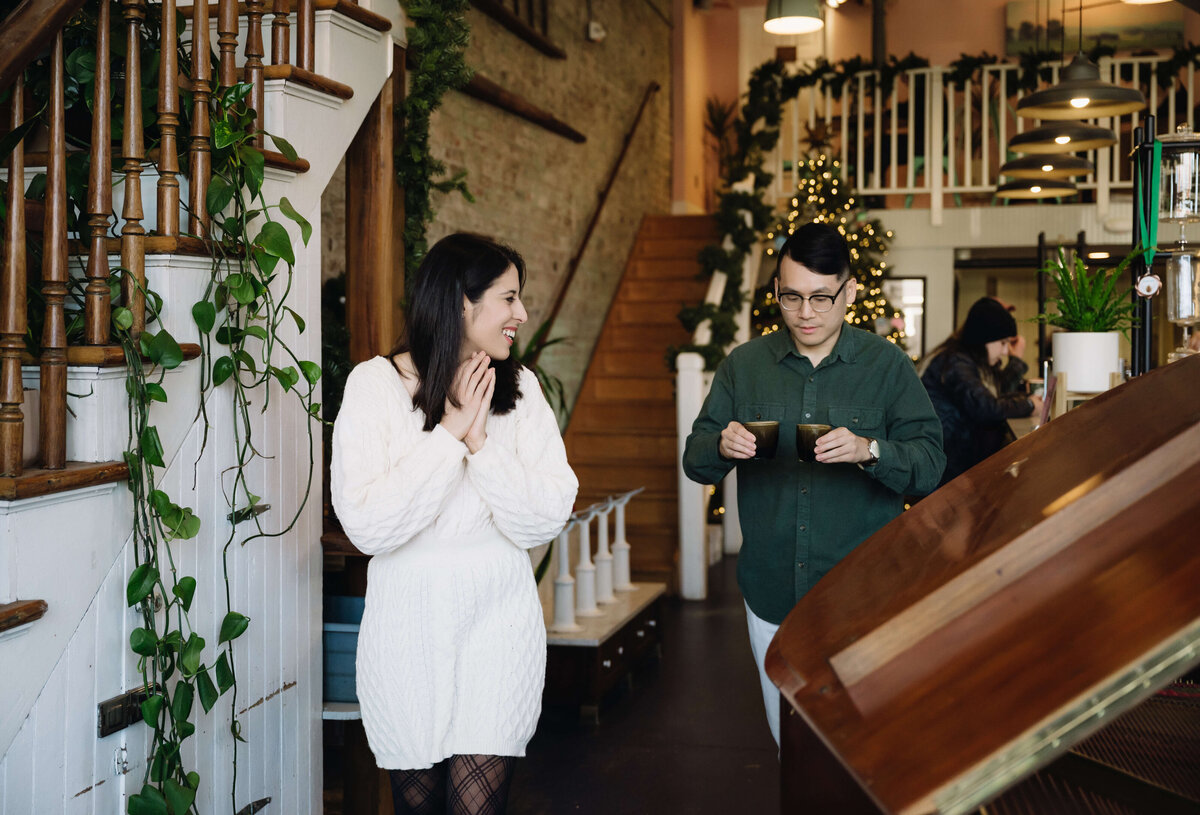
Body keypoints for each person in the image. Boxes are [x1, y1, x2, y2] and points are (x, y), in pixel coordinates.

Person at [331, 233, 578, 815]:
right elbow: (368, 524)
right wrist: (449, 435)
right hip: (407, 629)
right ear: (462, 304)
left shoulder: (520, 391)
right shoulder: (375, 386)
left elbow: (547, 513)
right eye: (508, 298)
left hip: (498, 622)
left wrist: (482, 443)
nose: (521, 314)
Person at [682, 222, 945, 747]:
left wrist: (870, 451)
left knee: (863, 742)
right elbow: (695, 459)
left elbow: (931, 463)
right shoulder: (745, 366)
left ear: (849, 292)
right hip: (771, 590)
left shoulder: (887, 366)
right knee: (792, 743)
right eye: (791, 297)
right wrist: (721, 446)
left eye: (822, 298)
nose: (805, 313)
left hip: (864, 591)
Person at [919, 296, 1043, 489]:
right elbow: (986, 408)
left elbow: (990, 396)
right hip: (948, 467)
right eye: (1002, 343)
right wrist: (1029, 405)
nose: (1005, 351)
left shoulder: (959, 358)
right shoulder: (956, 363)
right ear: (985, 338)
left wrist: (1026, 400)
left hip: (951, 461)